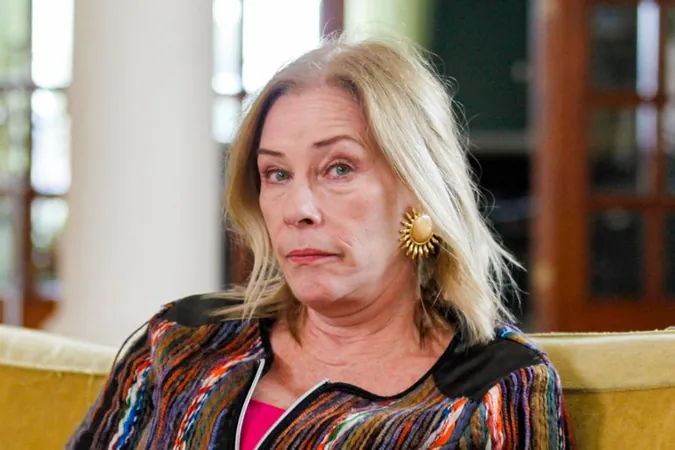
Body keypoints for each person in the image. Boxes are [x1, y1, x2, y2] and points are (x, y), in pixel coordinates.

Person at [67, 35, 573, 449]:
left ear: (420, 191)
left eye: (339, 168)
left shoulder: (492, 389)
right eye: (277, 174)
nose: (298, 209)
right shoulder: (184, 338)